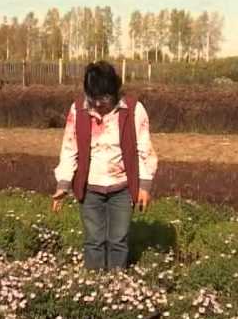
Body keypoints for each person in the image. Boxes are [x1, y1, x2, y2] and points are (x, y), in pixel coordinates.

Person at [51, 60, 158, 270]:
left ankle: (116, 286)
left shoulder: (133, 110)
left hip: (122, 188)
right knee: (94, 241)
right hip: (90, 189)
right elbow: (69, 148)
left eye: (104, 98)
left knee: (118, 240)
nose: (98, 104)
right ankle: (95, 287)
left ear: (114, 90)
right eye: (93, 98)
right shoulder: (78, 110)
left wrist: (144, 187)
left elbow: (144, 149)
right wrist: (63, 185)